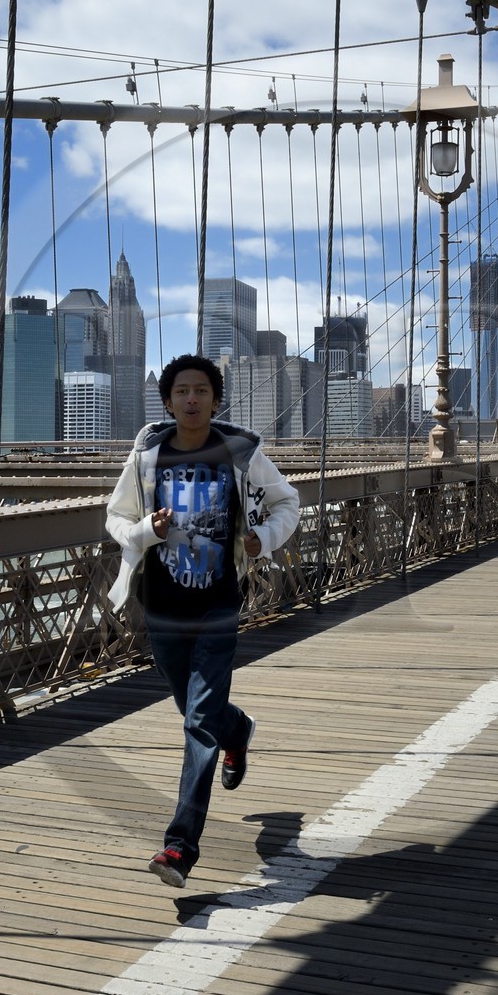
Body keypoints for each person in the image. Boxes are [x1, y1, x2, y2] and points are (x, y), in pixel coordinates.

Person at [105, 353, 301, 889]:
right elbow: (116, 517)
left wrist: (265, 539)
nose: (192, 400)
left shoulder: (241, 452)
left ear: (216, 399)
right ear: (167, 402)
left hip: (218, 606)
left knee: (196, 724)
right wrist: (147, 528)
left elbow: (289, 503)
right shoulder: (146, 453)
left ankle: (178, 847)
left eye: (202, 391)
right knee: (204, 716)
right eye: (181, 392)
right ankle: (238, 730)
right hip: (162, 606)